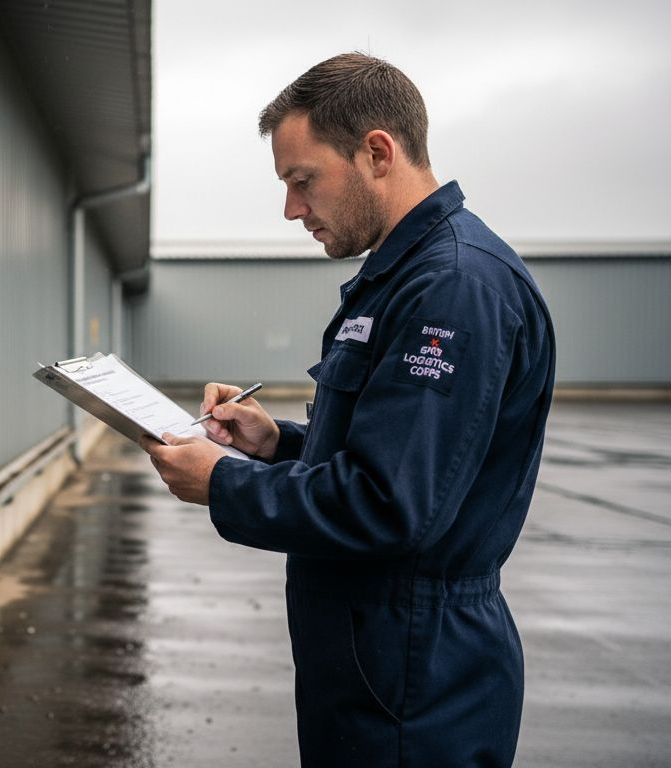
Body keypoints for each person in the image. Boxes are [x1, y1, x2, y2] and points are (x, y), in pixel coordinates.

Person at [140, 53, 554, 766]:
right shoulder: (406, 275)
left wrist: (222, 482)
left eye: (303, 181)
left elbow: (390, 505)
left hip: (415, 680)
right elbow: (389, 455)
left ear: (377, 152)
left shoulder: (451, 289)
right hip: (378, 661)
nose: (292, 209)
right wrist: (275, 445)